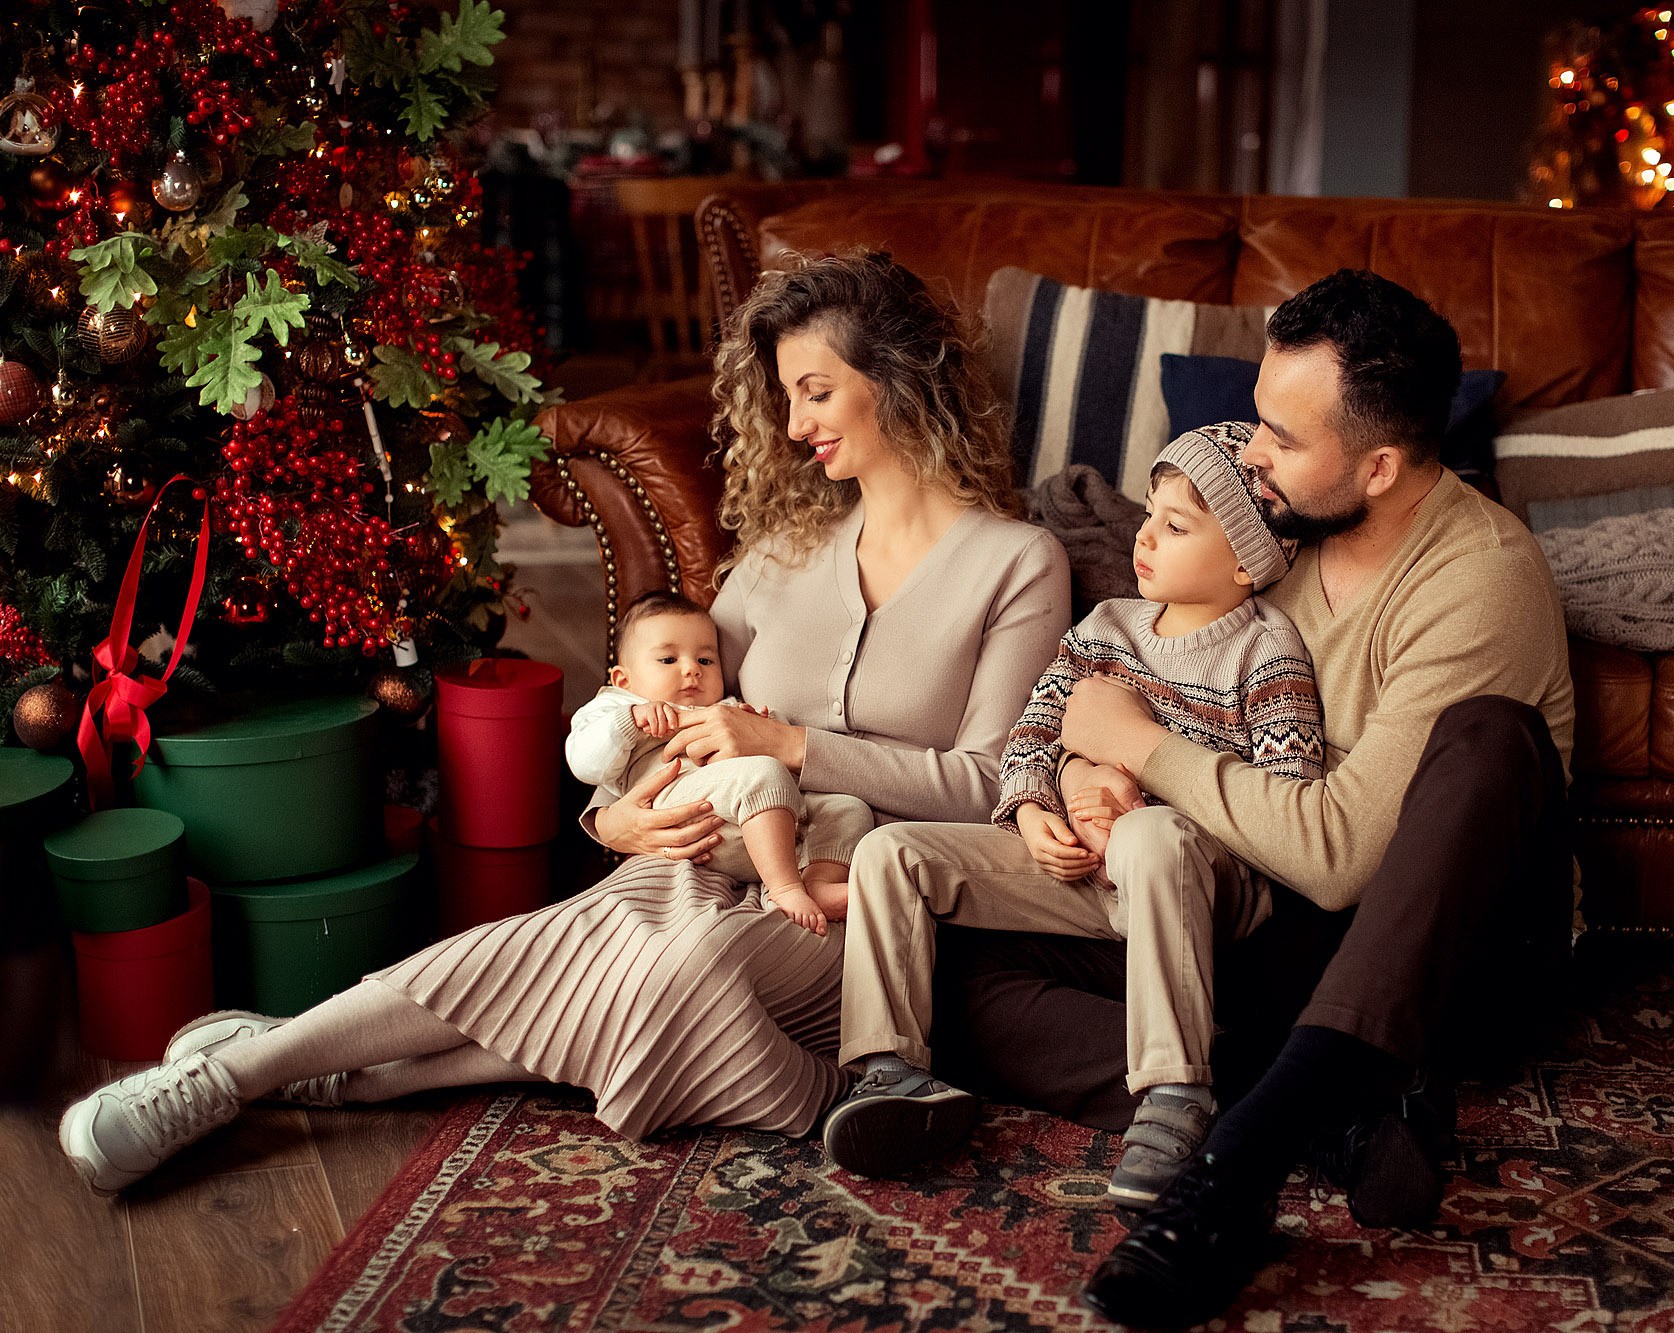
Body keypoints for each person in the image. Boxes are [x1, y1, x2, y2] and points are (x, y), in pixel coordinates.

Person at [56, 249, 1070, 1195]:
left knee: (683, 970)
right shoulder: (783, 549)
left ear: (896, 376)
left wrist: (793, 745)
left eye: (814, 391)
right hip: (689, 849)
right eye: (785, 397)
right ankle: (247, 1076)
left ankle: (301, 1066)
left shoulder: (1017, 563)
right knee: (574, 938)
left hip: (844, 893)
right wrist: (613, 822)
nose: (797, 423)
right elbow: (648, 709)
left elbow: (992, 784)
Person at [1054, 270, 1577, 1329]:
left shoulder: (1479, 574)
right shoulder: (1276, 547)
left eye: (1281, 439)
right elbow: (1155, 684)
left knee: (1489, 737)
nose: (1250, 452)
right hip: (1290, 932)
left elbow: (1342, 857)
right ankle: (1339, 1108)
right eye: (1256, 418)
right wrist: (1084, 770)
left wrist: (1141, 745)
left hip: (1452, 957)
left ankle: (1230, 1172)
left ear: (1377, 465)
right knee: (958, 968)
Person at [824, 421, 1325, 1209]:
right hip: (1081, 872)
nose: (1145, 537)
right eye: (1150, 515)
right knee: (890, 852)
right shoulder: (1107, 628)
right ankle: (891, 1070)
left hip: (1200, 880)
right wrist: (1033, 810)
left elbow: (1284, 804)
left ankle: (1172, 1092)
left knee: (1153, 835)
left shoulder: (1268, 653)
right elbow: (1029, 732)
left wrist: (1140, 792)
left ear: (1244, 560)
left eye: (1175, 525)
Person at [567, 589, 875, 935]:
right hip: (687, 809)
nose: (691, 671)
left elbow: (781, 754)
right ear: (624, 680)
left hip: (765, 827)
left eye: (705, 660)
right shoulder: (616, 709)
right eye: (669, 660)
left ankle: (816, 880)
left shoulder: (725, 705)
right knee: (763, 774)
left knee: (847, 808)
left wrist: (760, 726)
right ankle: (784, 889)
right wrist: (630, 718)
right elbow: (584, 763)